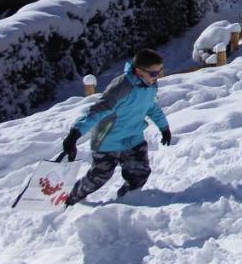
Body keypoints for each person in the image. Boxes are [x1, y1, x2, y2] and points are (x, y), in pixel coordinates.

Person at [61, 48, 172, 206]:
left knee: (140, 174)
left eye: (160, 71)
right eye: (154, 73)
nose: (157, 77)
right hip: (108, 140)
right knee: (100, 176)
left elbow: (151, 106)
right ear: (139, 71)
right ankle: (72, 198)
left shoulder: (150, 85)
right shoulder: (122, 87)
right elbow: (97, 111)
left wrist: (164, 127)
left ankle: (126, 201)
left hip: (133, 139)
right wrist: (75, 134)